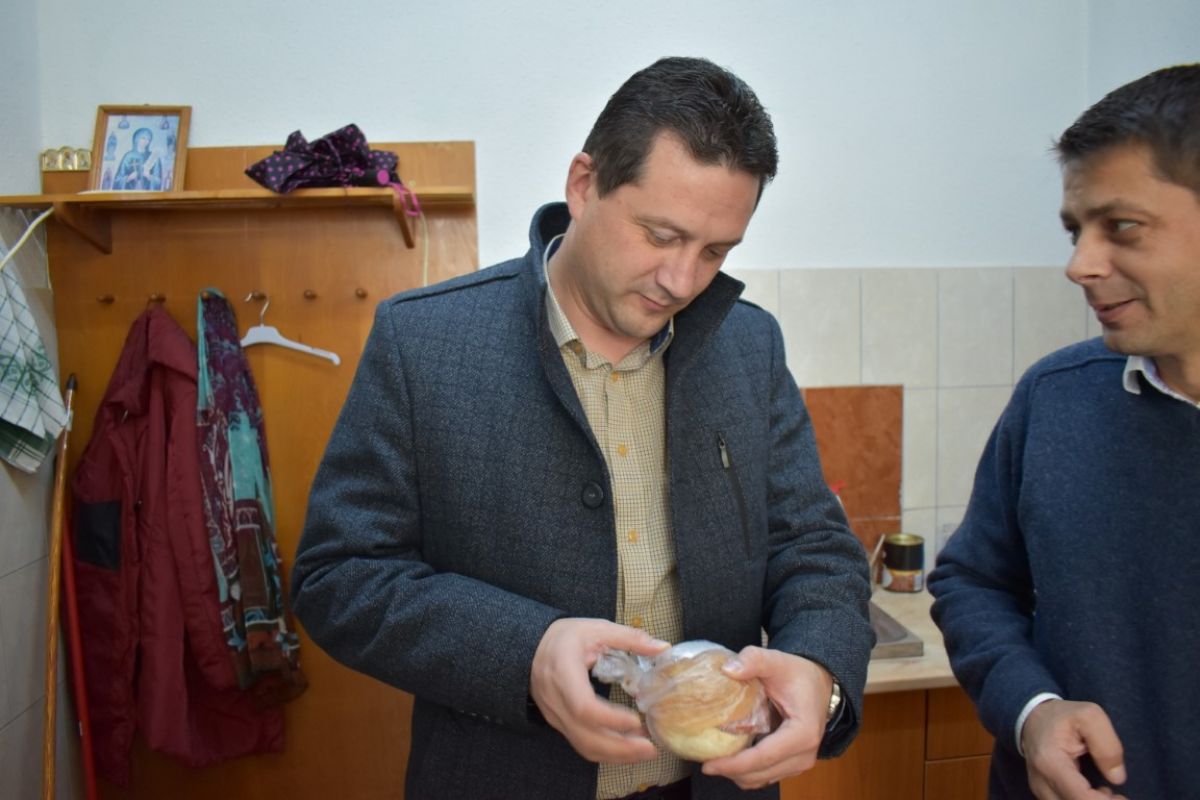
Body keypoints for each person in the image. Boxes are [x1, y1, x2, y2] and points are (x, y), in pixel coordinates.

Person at [291, 56, 873, 800]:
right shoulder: (423, 343)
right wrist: (527, 653)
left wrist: (820, 667)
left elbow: (814, 548)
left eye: (715, 251)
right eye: (660, 235)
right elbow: (340, 576)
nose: (682, 281)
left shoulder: (750, 346)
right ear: (584, 184)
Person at [928, 64, 1200, 800]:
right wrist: (1032, 710)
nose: (1080, 265)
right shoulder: (1056, 396)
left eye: (1122, 227)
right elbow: (972, 581)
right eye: (1075, 231)